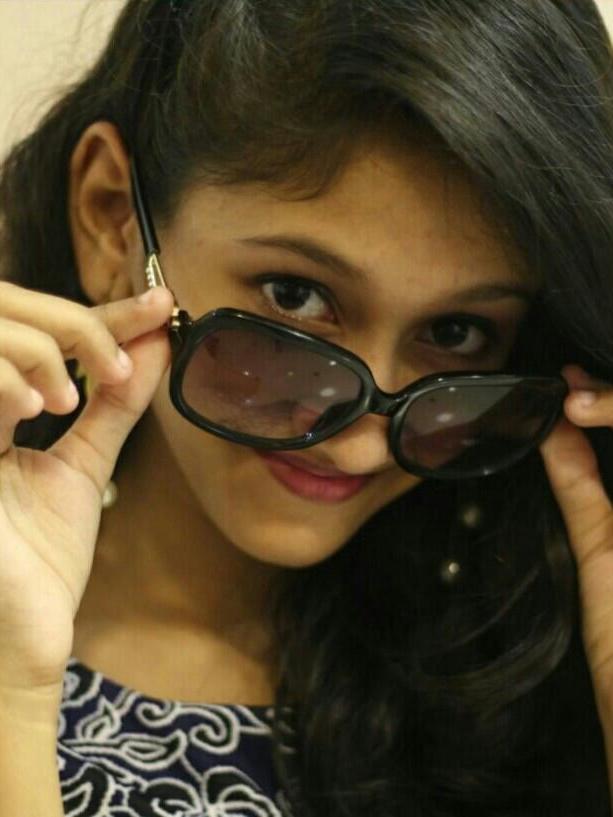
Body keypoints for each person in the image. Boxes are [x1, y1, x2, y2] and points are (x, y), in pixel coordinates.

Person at [2, 0, 613, 814]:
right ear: (114, 218)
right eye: (295, 296)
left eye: (455, 333)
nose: (361, 445)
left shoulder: (527, 687)